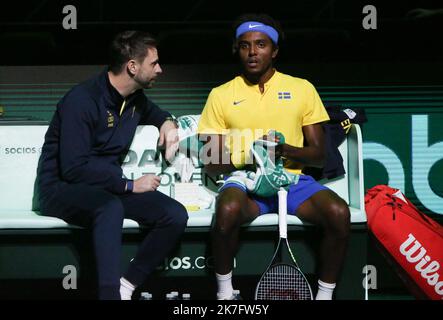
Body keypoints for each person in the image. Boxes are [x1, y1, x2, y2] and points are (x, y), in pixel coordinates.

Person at [197, 14, 350, 300]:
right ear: (237, 50)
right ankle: (225, 293)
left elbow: (318, 156)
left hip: (291, 182)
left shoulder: (302, 88)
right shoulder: (220, 95)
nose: (252, 52)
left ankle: (325, 296)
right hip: (247, 183)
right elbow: (211, 161)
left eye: (261, 45)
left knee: (339, 214)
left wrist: (283, 151)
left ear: (275, 50)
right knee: (227, 211)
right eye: (244, 46)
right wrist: (252, 155)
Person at [37, 30, 188, 300]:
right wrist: (129, 185)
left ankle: (126, 286)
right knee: (109, 207)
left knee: (174, 215)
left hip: (106, 189)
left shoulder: (134, 100)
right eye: (153, 63)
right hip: (60, 189)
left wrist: (168, 122)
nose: (160, 69)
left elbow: (156, 112)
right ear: (132, 66)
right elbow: (73, 168)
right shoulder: (82, 100)